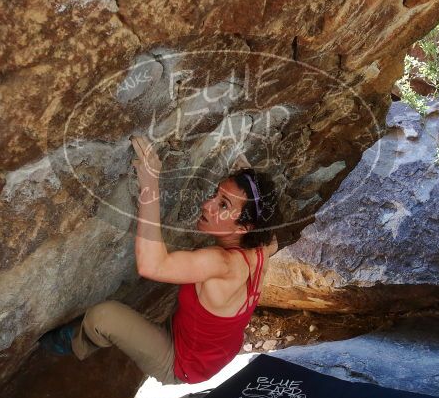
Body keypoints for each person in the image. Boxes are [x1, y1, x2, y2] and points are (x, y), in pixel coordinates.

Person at [40, 135, 280, 385]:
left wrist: (150, 183)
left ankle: (65, 343)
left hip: (182, 363)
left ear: (243, 228)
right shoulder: (262, 248)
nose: (207, 204)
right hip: (208, 348)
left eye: (223, 205)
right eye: (216, 194)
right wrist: (246, 180)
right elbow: (269, 227)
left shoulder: (220, 263)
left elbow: (151, 265)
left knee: (103, 317)